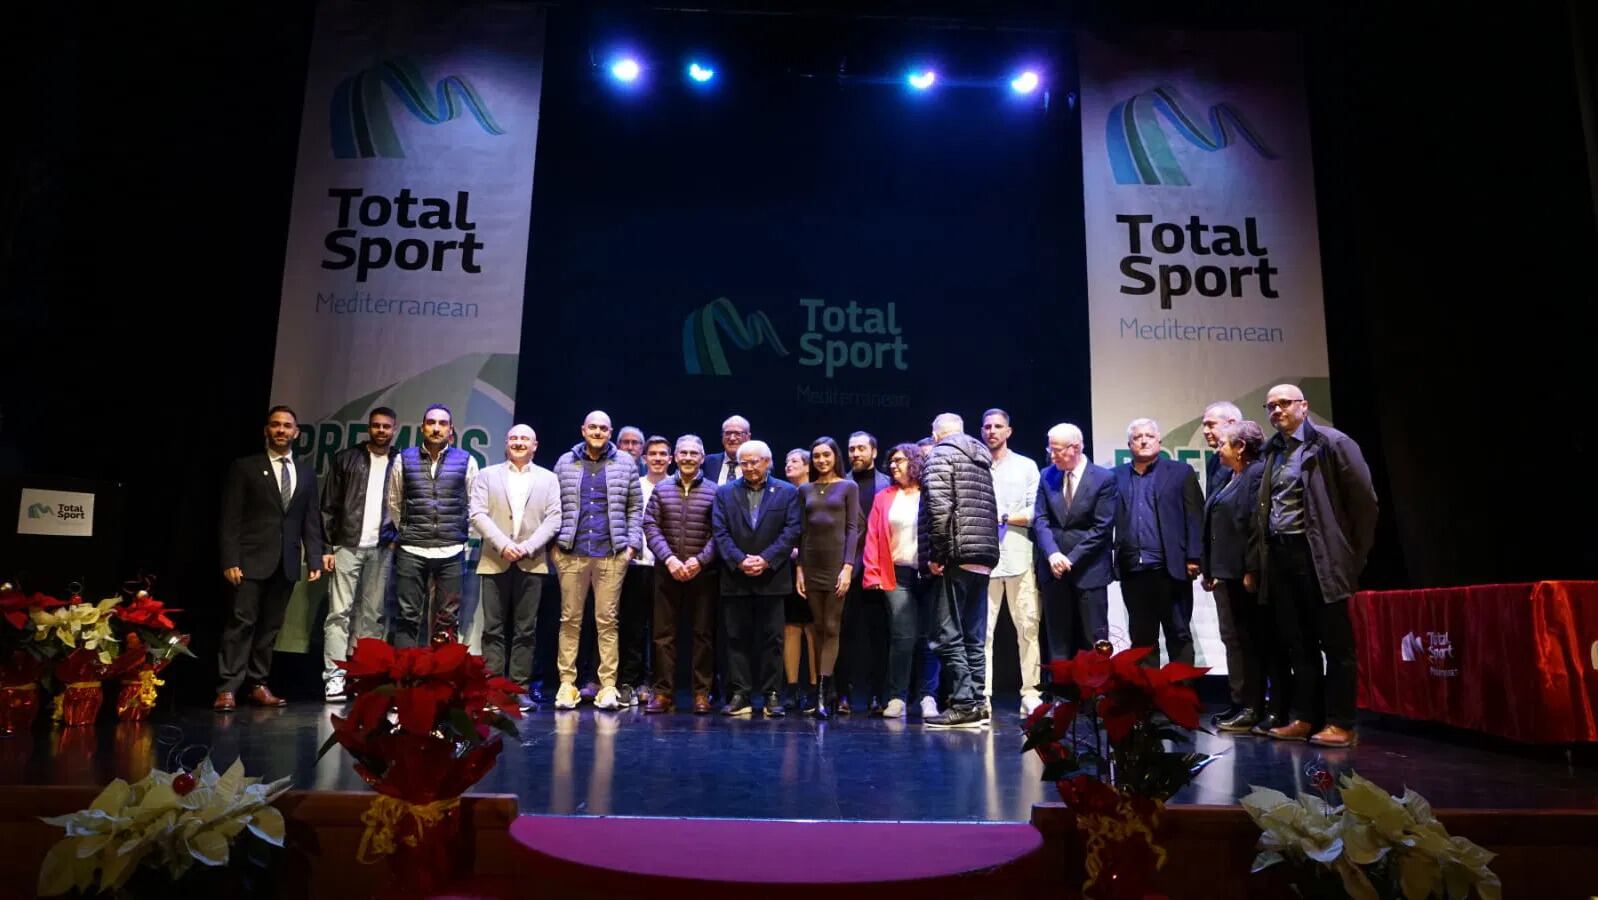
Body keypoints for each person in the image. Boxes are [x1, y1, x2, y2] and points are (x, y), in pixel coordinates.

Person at [1254, 384, 1378, 748]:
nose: (1277, 411)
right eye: (1270, 406)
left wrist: (1351, 556)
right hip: (1282, 556)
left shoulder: (1332, 443)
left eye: (1284, 404)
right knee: (1298, 643)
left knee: (1336, 645)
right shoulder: (1272, 451)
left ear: (1304, 406)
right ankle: (1304, 717)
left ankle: (1342, 722)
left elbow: (1364, 504)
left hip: (1321, 557)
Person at [216, 405, 324, 711]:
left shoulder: (304, 472)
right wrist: (229, 559)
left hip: (286, 563)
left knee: (270, 628)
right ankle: (227, 688)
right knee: (241, 624)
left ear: (296, 432)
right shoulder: (246, 467)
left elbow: (310, 519)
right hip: (249, 561)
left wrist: (314, 559)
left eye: (287, 426)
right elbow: (230, 518)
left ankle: (259, 684)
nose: (281, 430)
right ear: (267, 430)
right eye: (275, 425)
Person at [551, 411, 643, 711]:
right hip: (572, 553)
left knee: (607, 622)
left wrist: (630, 547)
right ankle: (567, 685)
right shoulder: (565, 462)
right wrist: (554, 546)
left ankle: (607, 687)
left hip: (610, 554)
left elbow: (634, 507)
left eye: (604, 428)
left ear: (610, 432)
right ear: (583, 429)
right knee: (570, 621)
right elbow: (554, 506)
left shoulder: (625, 463)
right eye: (593, 427)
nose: (598, 431)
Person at [710, 440, 802, 717]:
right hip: (735, 577)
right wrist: (740, 560)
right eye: (744, 463)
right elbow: (720, 531)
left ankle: (773, 694)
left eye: (755, 462)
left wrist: (766, 559)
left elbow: (792, 530)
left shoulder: (786, 492)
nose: (750, 467)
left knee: (772, 639)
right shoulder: (724, 493)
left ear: (768, 462)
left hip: (772, 577)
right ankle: (741, 694)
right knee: (736, 638)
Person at [469, 424, 561, 700]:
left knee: (526, 629)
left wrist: (527, 547)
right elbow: (477, 513)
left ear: (535, 445)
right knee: (493, 628)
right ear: (506, 443)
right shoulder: (487, 475)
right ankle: (493, 688)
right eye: (514, 438)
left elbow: (554, 517)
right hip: (495, 559)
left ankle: (518, 688)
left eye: (525, 439)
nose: (519, 442)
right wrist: (505, 545)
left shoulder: (548, 478)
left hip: (531, 561)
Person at [920, 413, 1000, 729]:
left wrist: (937, 554)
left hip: (955, 554)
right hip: (982, 555)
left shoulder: (941, 454)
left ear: (936, 433)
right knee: (973, 636)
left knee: (945, 633)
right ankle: (978, 703)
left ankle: (965, 703)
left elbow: (939, 507)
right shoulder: (981, 457)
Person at [1200, 420, 1280, 733]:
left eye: (1223, 444)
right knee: (1242, 642)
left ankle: (1257, 707)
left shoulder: (1255, 474)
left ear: (1241, 447)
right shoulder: (1232, 476)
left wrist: (1250, 569)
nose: (1218, 450)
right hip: (1227, 572)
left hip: (1245, 574)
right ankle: (1248, 705)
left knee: (1255, 642)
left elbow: (1253, 525)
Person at [317, 407, 397, 702]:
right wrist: (327, 547)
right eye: (376, 425)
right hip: (347, 545)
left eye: (386, 427)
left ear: (394, 429)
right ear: (368, 428)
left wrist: (395, 538)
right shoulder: (346, 459)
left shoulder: (399, 461)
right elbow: (328, 506)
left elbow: (406, 506)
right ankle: (335, 677)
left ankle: (367, 676)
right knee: (338, 613)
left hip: (382, 547)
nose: (380, 430)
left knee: (373, 616)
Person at [386, 404, 478, 648]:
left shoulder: (466, 460)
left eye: (442, 424)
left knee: (447, 621)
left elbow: (474, 504)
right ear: (422, 427)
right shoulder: (403, 460)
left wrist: (459, 535)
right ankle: (404, 681)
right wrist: (408, 530)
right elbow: (395, 502)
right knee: (407, 617)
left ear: (451, 430)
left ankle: (441, 683)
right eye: (431, 423)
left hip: (451, 551)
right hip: (412, 550)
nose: (436, 428)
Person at [1113, 418, 1203, 666]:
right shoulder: (1115, 477)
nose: (1143, 440)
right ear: (1129, 444)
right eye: (1137, 437)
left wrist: (1194, 557)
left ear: (1159, 441)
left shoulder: (1180, 472)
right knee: (1142, 640)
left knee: (1178, 633)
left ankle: (1180, 701)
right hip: (1133, 570)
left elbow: (1195, 516)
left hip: (1171, 568)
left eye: (1149, 436)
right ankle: (1147, 699)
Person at [643, 435, 720, 714]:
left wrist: (699, 561)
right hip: (667, 572)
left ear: (702, 458)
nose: (688, 458)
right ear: (675, 457)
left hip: (703, 574)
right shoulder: (662, 489)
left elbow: (719, 532)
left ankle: (702, 693)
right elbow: (650, 526)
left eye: (693, 454)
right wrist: (671, 559)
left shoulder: (714, 491)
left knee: (703, 635)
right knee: (663, 635)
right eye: (683, 453)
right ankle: (663, 693)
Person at [1033, 423, 1116, 668]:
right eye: (1050, 448)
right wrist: (1053, 554)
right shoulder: (1046, 475)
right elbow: (1041, 519)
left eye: (1057, 449)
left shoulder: (1103, 478)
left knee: (1095, 639)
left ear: (1076, 448)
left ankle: (1097, 699)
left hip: (1089, 570)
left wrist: (1070, 558)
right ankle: (1062, 698)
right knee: (1058, 641)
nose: (1052, 454)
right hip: (1054, 570)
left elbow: (1101, 527)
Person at [979, 408, 1043, 717]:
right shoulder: (976, 465)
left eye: (998, 426)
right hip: (983, 560)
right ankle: (983, 695)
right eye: (987, 426)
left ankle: (1030, 691)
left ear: (1009, 431)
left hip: (1019, 556)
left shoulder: (1026, 466)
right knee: (983, 633)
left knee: (1028, 628)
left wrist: (1003, 517)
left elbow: (1036, 512)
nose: (992, 431)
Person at [795, 437, 862, 719]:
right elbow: (802, 531)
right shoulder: (805, 489)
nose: (822, 460)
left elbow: (852, 529)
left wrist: (847, 567)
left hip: (836, 565)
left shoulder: (848, 486)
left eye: (826, 455)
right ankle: (827, 689)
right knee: (818, 626)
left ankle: (822, 693)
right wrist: (799, 568)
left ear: (835, 456)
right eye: (817, 456)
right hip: (811, 565)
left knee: (832, 627)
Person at [860, 443, 928, 719]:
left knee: (930, 637)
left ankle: (927, 696)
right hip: (896, 574)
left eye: (900, 460)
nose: (893, 465)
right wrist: (872, 573)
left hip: (928, 572)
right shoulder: (884, 496)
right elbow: (873, 537)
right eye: (891, 461)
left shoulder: (930, 493)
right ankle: (898, 697)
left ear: (914, 462)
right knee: (902, 636)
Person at [835, 430, 891, 714]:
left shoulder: (888, 483)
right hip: (845, 569)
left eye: (860, 449)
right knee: (844, 634)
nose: (855, 454)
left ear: (874, 451)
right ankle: (842, 695)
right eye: (851, 449)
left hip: (878, 569)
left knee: (877, 636)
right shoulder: (838, 482)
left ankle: (876, 695)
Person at [618, 436, 671, 706]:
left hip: (666, 568)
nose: (658, 458)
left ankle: (652, 683)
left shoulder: (675, 486)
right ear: (645, 458)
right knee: (634, 627)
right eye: (653, 454)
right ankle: (629, 681)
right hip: (637, 566)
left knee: (661, 631)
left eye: (663, 454)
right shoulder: (635, 486)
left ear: (670, 459)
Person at [780, 448, 818, 712]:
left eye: (793, 461)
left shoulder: (816, 493)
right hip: (787, 567)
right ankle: (792, 688)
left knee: (813, 628)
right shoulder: (784, 494)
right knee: (791, 626)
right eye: (786, 461)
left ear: (808, 466)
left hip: (815, 568)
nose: (787, 465)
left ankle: (816, 690)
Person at [702, 415, 752, 486]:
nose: (732, 438)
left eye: (737, 433)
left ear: (748, 437)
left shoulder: (756, 464)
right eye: (727, 433)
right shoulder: (708, 462)